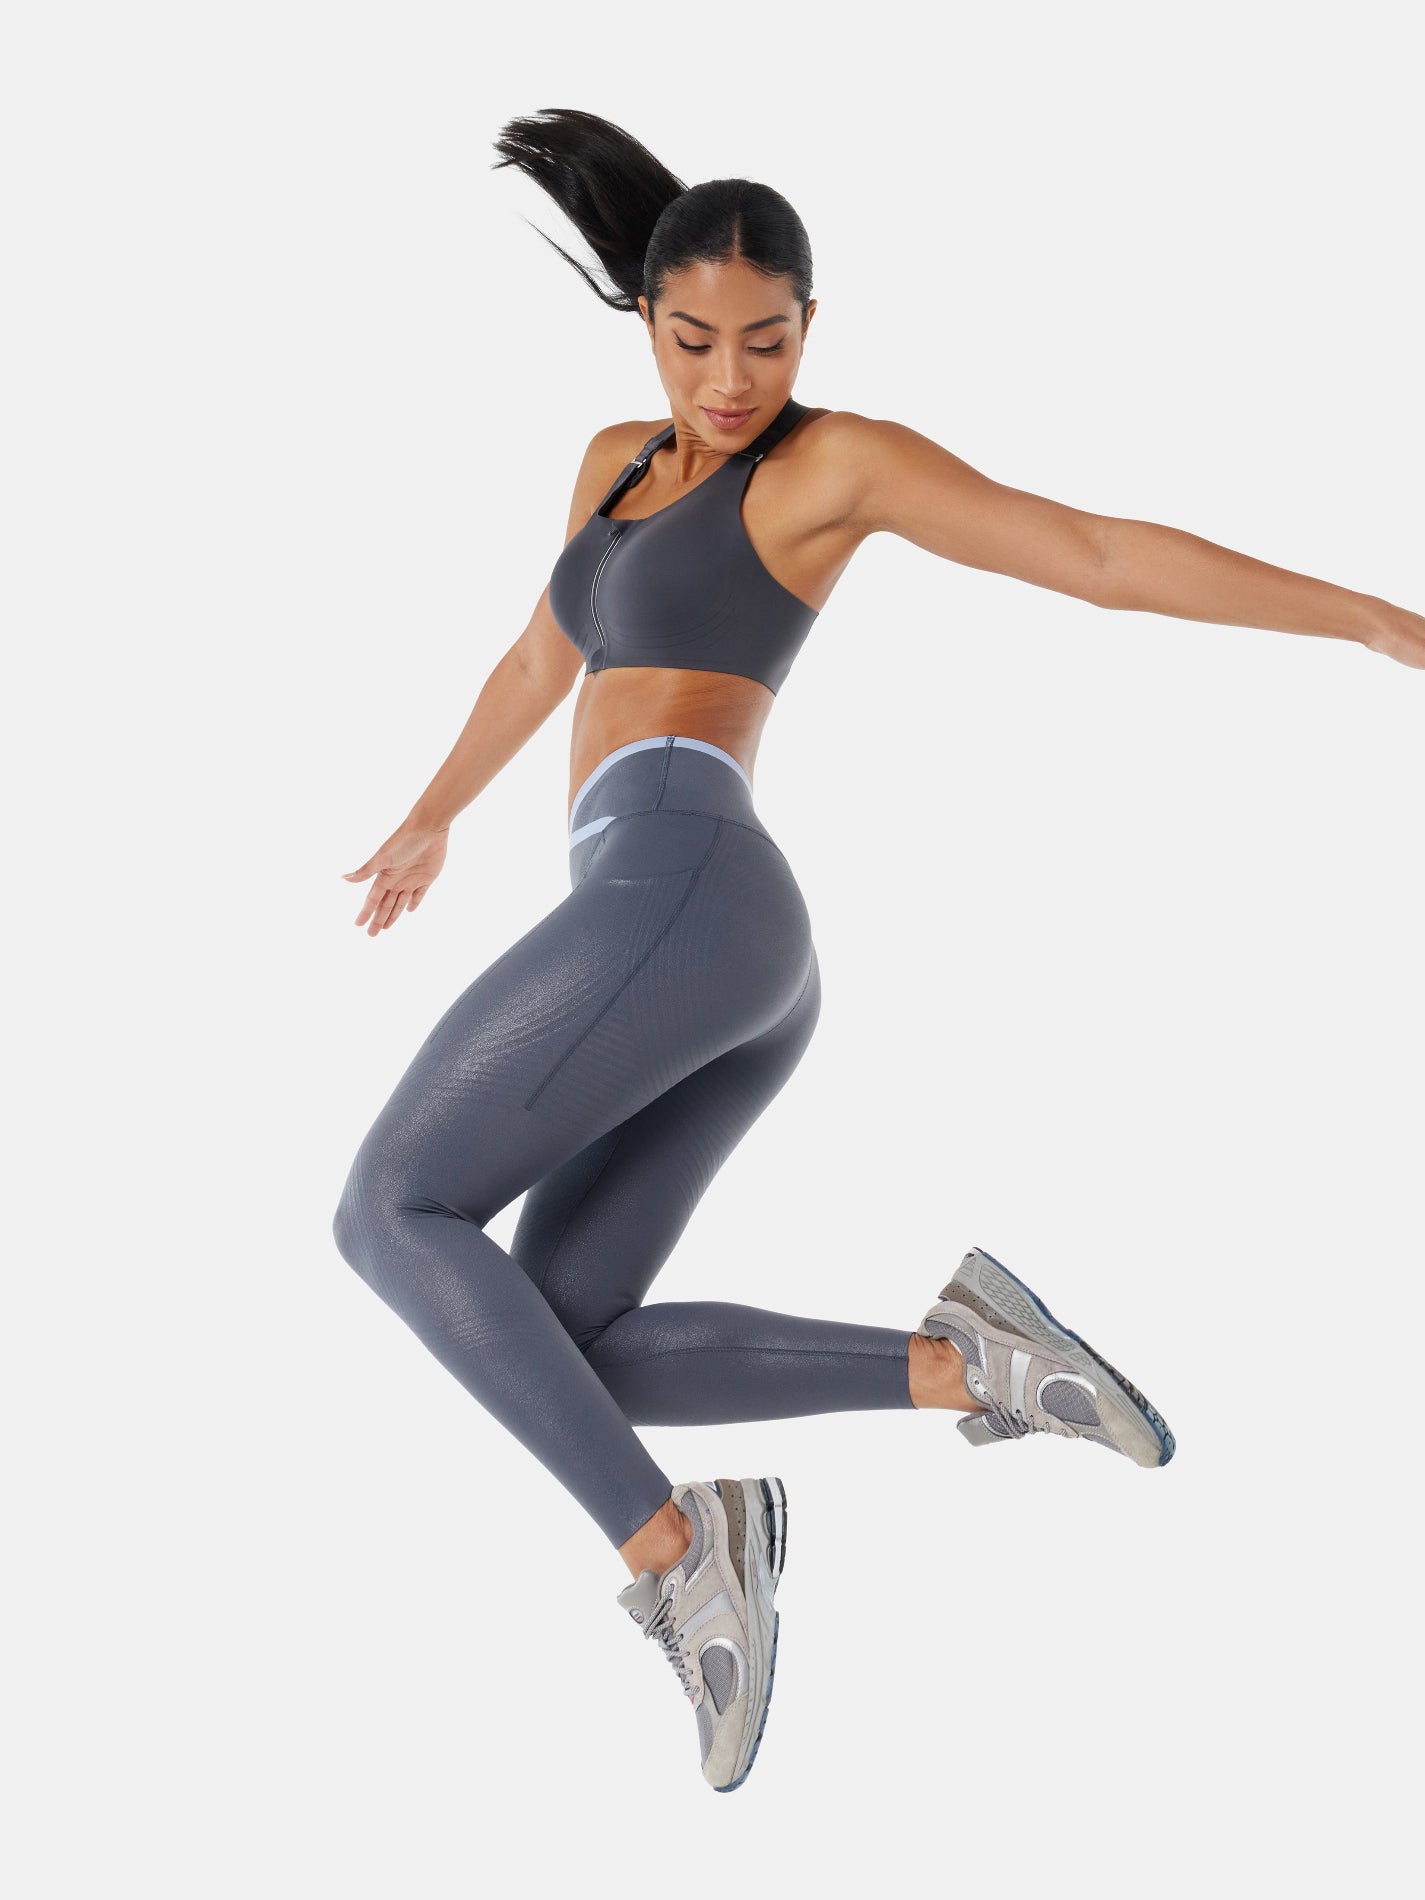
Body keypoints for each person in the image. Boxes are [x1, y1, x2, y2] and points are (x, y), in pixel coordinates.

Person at [332, 107, 1425, 1793]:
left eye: (767, 342)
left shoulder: (833, 466)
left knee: (391, 1212)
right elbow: (538, 662)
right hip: (685, 929)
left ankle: (677, 1555)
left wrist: (1369, 618)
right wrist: (432, 816)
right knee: (560, 1333)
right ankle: (971, 1363)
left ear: (810, 327)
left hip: (688, 885)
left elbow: (1097, 557)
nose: (730, 379)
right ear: (647, 320)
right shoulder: (611, 463)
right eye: (695, 340)